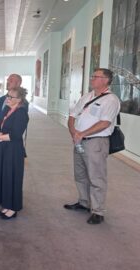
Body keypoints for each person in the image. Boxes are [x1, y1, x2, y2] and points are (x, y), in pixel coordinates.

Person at [64, 68, 120, 225]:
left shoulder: (111, 100)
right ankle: (84, 202)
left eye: (96, 76)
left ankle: (98, 211)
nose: (92, 78)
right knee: (80, 174)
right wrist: (74, 132)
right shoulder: (87, 96)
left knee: (96, 177)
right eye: (92, 75)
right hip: (79, 140)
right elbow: (72, 116)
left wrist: (82, 134)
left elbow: (105, 123)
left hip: (96, 142)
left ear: (105, 80)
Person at [0, 87, 29, 219]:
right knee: (3, 176)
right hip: (3, 147)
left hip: (13, 150)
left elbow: (15, 135)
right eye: (8, 96)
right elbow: (1, 127)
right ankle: (5, 205)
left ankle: (13, 208)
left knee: (12, 177)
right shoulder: (7, 109)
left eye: (11, 97)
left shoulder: (21, 113)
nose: (7, 99)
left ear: (19, 100)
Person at [0, 74, 23, 166]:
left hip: (9, 145)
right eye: (7, 80)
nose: (8, 82)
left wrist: (1, 136)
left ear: (19, 83)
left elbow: (17, 128)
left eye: (11, 80)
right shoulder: (0, 100)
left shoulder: (22, 103)